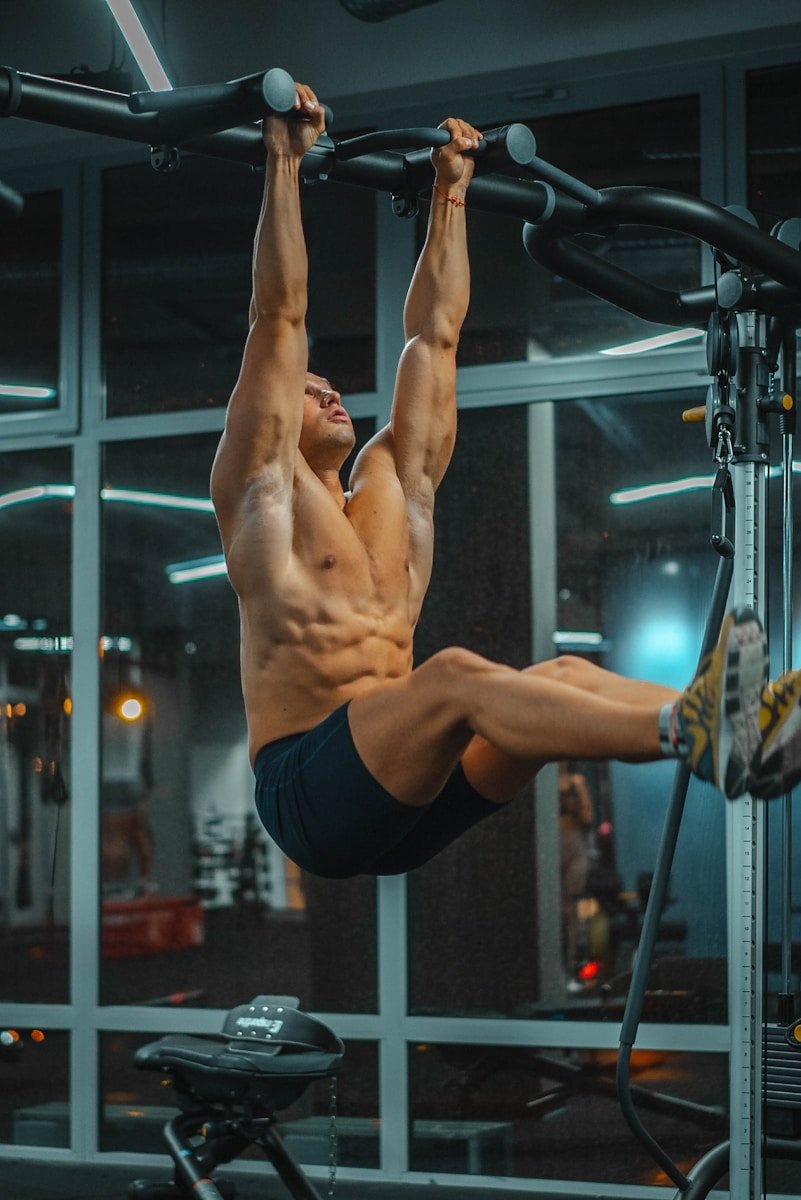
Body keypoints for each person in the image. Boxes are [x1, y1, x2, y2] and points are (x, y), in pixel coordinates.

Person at [210, 80, 777, 882]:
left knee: (556, 679)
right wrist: (281, 162)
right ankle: (692, 730)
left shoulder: (388, 483)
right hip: (310, 793)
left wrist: (450, 196)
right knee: (453, 678)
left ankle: (739, 724)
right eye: (309, 388)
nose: (328, 392)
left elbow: (434, 339)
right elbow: (278, 317)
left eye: (332, 387)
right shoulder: (261, 492)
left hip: (408, 791)